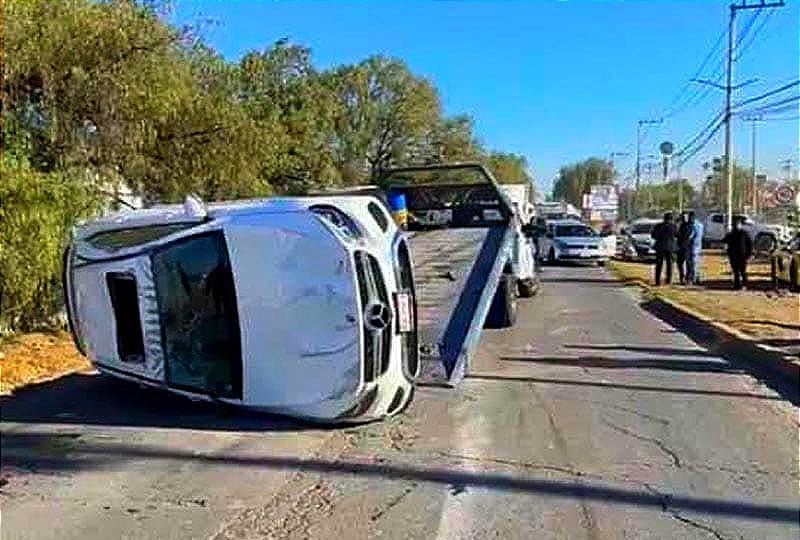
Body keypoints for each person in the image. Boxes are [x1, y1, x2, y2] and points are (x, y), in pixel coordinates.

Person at [723, 215, 753, 290]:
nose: (736, 226)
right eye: (734, 224)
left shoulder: (744, 234)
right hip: (733, 255)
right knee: (735, 271)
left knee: (743, 271)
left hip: (742, 255)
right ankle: (736, 285)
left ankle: (744, 285)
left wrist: (749, 254)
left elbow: (750, 244)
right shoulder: (731, 234)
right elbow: (724, 241)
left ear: (740, 225)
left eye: (737, 224)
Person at [651, 212, 678, 285]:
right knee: (669, 265)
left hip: (660, 247)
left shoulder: (658, 226)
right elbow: (677, 235)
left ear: (664, 218)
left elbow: (653, 235)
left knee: (659, 264)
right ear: (671, 219)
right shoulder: (674, 226)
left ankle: (657, 281)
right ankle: (668, 280)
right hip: (670, 247)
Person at [685, 211, 704, 285]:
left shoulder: (693, 225)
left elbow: (691, 236)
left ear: (692, 217)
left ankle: (692, 279)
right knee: (696, 263)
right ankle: (697, 278)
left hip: (692, 246)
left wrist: (686, 239)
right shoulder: (701, 225)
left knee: (691, 263)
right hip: (698, 246)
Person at [676, 212, 690, 284]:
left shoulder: (682, 226)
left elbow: (678, 235)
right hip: (686, 247)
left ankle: (683, 278)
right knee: (685, 263)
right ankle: (685, 278)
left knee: (681, 263)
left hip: (682, 246)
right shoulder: (689, 226)